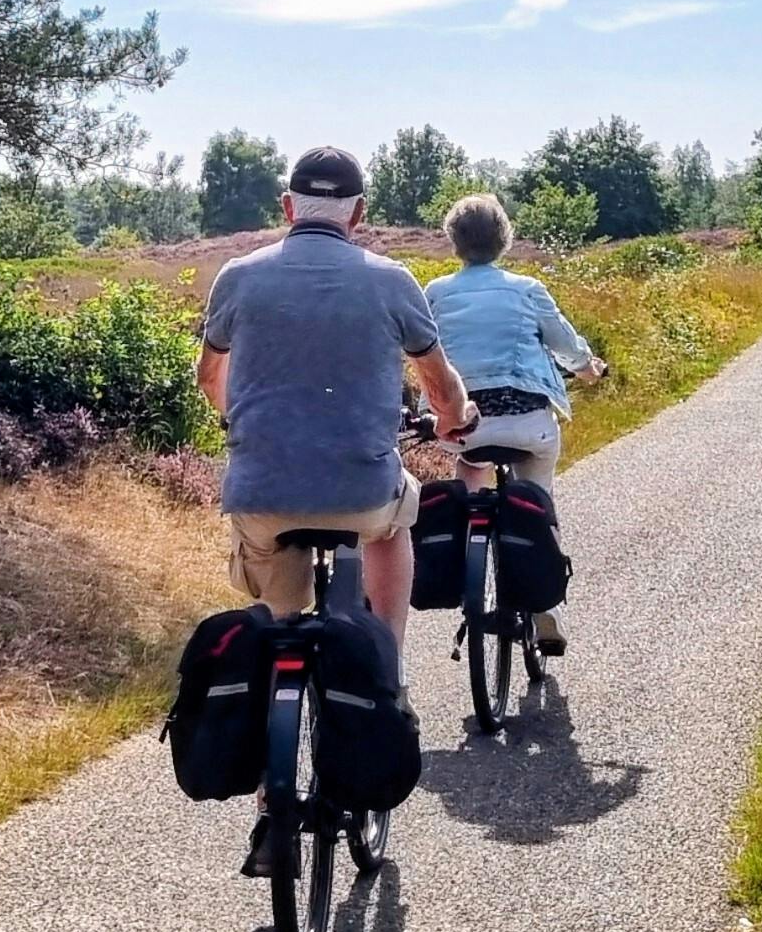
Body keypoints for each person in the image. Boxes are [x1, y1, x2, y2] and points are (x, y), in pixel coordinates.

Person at [194, 145, 470, 629]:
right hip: (362, 493)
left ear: (287, 206)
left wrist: (234, 420)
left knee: (275, 615)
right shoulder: (392, 281)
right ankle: (389, 670)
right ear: (359, 213)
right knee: (393, 527)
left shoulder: (237, 276)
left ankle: (278, 664)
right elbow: (439, 383)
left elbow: (209, 376)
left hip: (261, 493)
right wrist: (452, 419)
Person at [422, 192, 605, 653]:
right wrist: (588, 368)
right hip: (527, 424)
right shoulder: (527, 289)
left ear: (454, 242)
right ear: (505, 238)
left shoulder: (436, 294)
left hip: (465, 425)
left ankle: (472, 559)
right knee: (538, 498)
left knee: (469, 474)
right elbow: (568, 346)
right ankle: (546, 607)